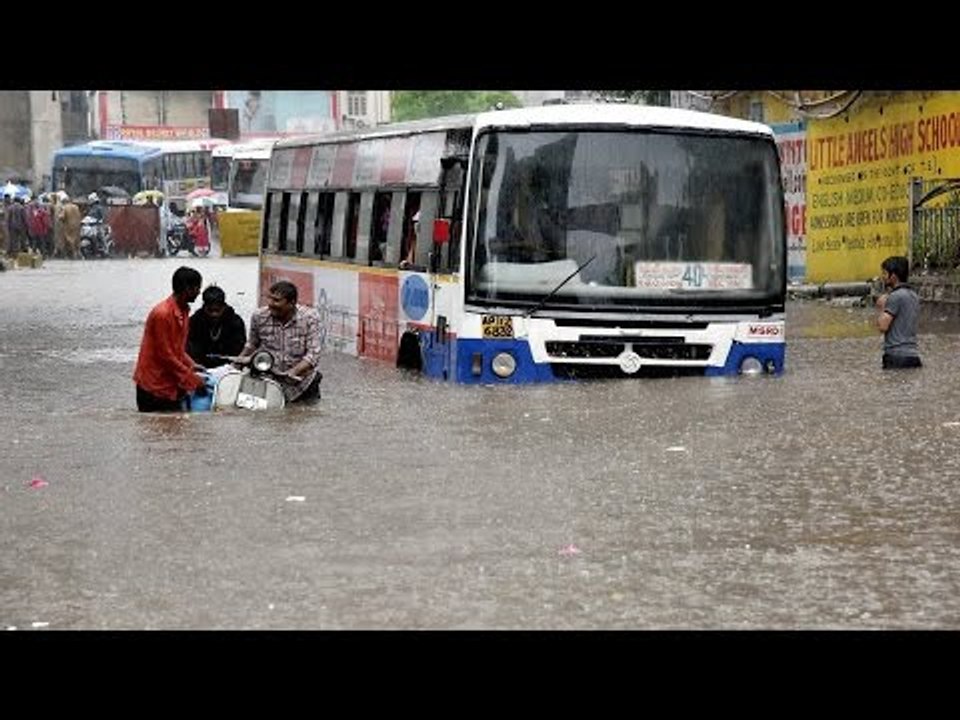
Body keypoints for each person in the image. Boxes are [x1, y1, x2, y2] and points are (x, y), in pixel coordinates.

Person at [132, 266, 207, 412]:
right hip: (153, 387)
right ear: (187, 288)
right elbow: (165, 356)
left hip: (170, 384)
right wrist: (192, 379)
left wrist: (192, 364)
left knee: (175, 430)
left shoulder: (183, 310)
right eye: (197, 288)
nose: (199, 292)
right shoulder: (163, 314)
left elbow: (177, 349)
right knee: (158, 431)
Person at [235, 280, 322, 403]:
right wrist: (236, 365)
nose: (270, 304)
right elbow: (252, 344)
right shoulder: (259, 316)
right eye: (269, 299)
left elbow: (313, 354)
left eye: (276, 300)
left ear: (292, 303)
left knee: (305, 418)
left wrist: (293, 372)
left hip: (303, 384)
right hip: (267, 380)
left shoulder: (310, 318)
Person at [876, 255, 922, 369]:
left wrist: (882, 306)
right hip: (913, 356)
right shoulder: (914, 296)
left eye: (885, 273)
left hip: (895, 357)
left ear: (894, 276)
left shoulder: (895, 296)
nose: (883, 277)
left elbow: (882, 326)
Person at [187, 285, 247, 369]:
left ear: (224, 306)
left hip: (228, 368)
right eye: (210, 310)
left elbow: (239, 350)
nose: (214, 314)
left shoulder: (235, 321)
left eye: (217, 310)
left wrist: (231, 367)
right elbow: (190, 348)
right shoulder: (194, 321)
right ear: (204, 307)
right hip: (200, 367)